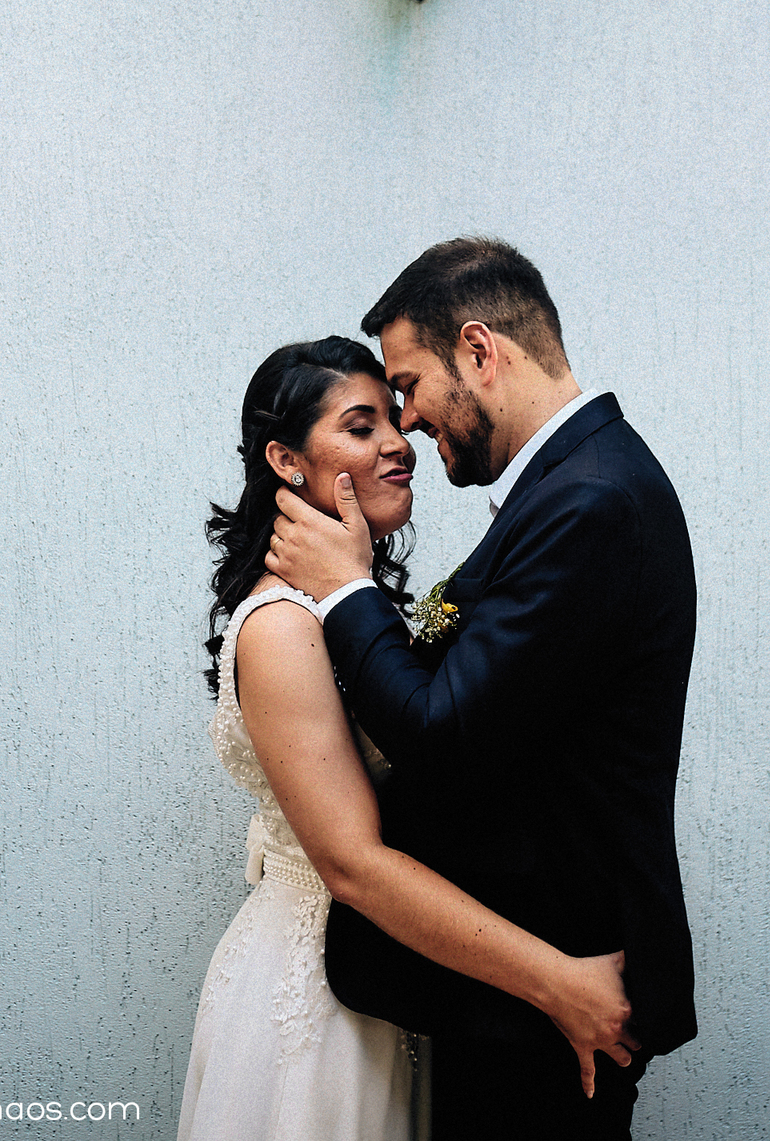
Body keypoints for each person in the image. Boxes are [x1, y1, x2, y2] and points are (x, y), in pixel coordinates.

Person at [266, 240, 698, 1141]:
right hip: (513, 989)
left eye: (411, 387)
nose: (410, 426)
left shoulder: (590, 502)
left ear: (479, 352)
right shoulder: (573, 484)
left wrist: (347, 590)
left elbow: (444, 728)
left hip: (562, 985)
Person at [176, 335, 640, 1141]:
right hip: (320, 998)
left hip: (404, 979)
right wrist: (558, 983)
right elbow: (353, 864)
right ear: (287, 462)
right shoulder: (283, 627)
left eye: (395, 419)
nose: (400, 442)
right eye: (361, 427)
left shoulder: (352, 608)